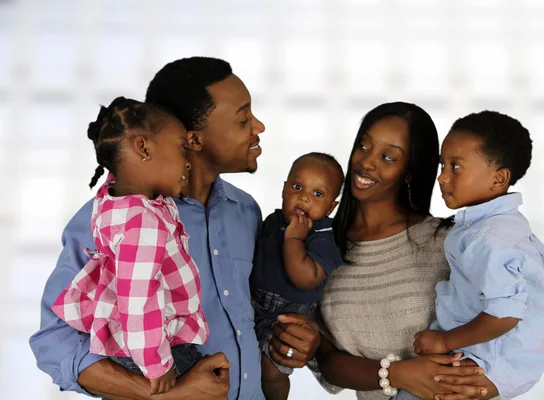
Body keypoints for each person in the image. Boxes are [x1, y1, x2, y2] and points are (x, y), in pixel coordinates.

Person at [30, 57, 320, 400]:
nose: (259, 126)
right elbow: (54, 342)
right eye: (243, 119)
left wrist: (291, 339)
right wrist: (163, 394)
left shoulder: (245, 211)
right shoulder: (112, 221)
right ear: (193, 141)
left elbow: (249, 314)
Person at [313, 102, 501, 400]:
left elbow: (511, 317)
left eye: (388, 157)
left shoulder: (450, 242)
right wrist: (397, 374)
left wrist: (494, 385)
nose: (366, 162)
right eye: (364, 146)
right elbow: (327, 361)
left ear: (410, 171)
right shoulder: (320, 248)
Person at [51, 97, 211, 396]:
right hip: (154, 351)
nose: (188, 160)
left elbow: (124, 171)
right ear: (143, 148)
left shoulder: (117, 198)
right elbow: (138, 300)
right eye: (180, 148)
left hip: (135, 348)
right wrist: (157, 363)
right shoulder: (142, 223)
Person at [413, 111, 544, 399]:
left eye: (456, 166)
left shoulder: (488, 239)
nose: (442, 177)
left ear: (498, 179)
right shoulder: (504, 225)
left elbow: (505, 313)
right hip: (508, 361)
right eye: (441, 165)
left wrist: (445, 340)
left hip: (490, 361)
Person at [250, 152, 344, 400]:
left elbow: (305, 278)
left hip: (288, 315)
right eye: (297, 187)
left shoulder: (324, 238)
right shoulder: (273, 221)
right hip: (253, 303)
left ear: (331, 207)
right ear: (283, 189)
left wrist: (293, 239)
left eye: (318, 194)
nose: (304, 197)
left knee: (272, 369)